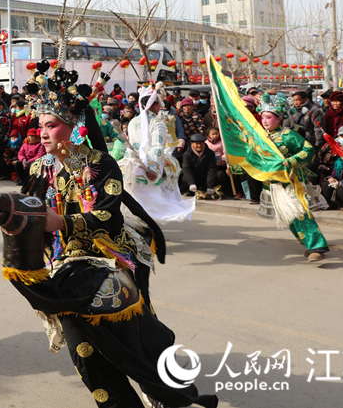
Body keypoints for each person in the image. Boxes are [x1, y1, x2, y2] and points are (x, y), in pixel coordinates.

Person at [16, 61, 215, 408]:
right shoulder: (39, 166)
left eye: (51, 125)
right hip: (66, 264)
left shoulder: (99, 163)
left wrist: (61, 223)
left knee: (136, 333)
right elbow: (32, 212)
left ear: (72, 126)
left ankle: (157, 385)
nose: (43, 133)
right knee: (84, 349)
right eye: (40, 126)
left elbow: (107, 217)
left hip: (111, 254)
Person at [254, 94, 330, 262]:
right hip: (273, 184)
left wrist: (292, 160)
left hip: (291, 182)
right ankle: (309, 244)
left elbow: (309, 150)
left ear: (279, 118)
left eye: (269, 117)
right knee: (288, 217)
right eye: (263, 117)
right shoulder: (261, 138)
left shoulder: (287, 135)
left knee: (300, 213)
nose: (264, 121)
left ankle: (317, 246)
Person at [120, 84, 194, 222]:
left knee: (134, 205)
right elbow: (156, 148)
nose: (160, 107)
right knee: (150, 207)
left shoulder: (132, 122)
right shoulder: (157, 123)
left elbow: (130, 147)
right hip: (148, 169)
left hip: (131, 167)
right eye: (158, 104)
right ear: (153, 105)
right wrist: (152, 168)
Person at [181, 133, 219, 199]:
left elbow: (212, 169)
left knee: (220, 174)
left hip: (206, 178)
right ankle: (191, 191)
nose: (199, 145)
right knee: (184, 177)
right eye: (197, 143)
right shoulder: (186, 155)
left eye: (201, 143)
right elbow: (186, 169)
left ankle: (211, 190)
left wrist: (210, 186)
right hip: (194, 179)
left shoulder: (210, 153)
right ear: (192, 144)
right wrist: (191, 183)